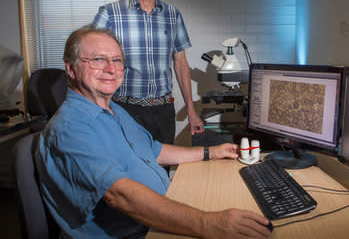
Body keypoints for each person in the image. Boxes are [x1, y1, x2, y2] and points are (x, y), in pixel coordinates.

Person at [35, 26, 271, 238]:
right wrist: (208, 223)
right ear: (71, 68)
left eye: (117, 60)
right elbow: (120, 196)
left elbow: (154, 149)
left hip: (154, 218)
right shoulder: (70, 129)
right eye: (98, 59)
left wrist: (210, 152)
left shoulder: (114, 110)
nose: (111, 68)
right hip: (135, 233)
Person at [92, 0, 204, 145]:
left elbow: (180, 64)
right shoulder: (110, 14)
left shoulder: (172, 15)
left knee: (162, 173)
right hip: (124, 111)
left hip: (163, 112)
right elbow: (89, 60)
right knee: (129, 172)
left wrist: (191, 110)